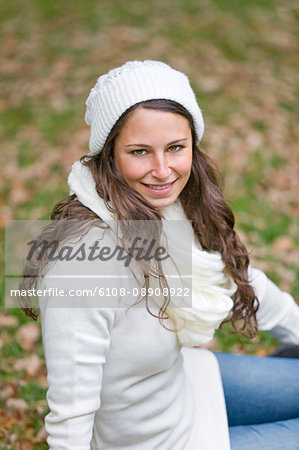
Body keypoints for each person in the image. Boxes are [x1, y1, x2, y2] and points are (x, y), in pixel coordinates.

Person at [22, 60, 299, 449]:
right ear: (110, 156)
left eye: (175, 148)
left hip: (188, 386)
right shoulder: (83, 261)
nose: (163, 170)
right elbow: (71, 412)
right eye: (139, 151)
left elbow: (238, 279)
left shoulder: (170, 210)